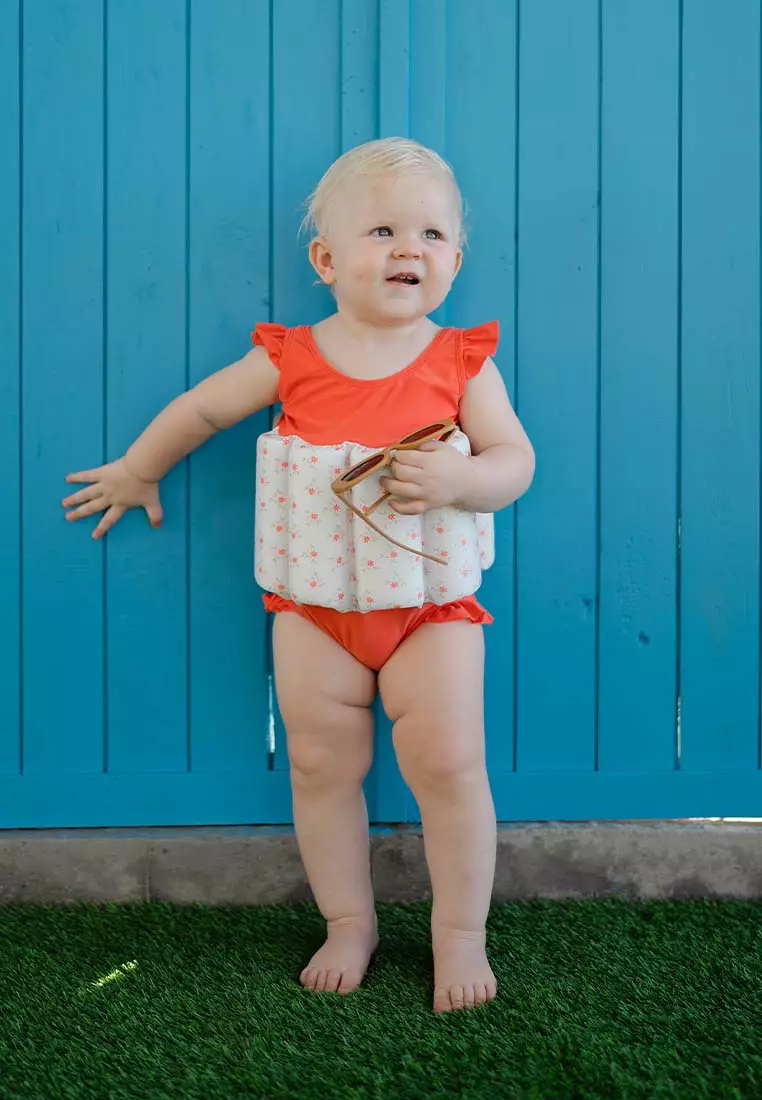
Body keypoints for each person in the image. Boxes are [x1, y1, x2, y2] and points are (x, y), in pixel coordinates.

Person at [62, 138, 535, 1013]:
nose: (409, 249)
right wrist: (139, 467)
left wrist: (470, 478)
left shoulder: (460, 362)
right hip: (312, 609)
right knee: (319, 766)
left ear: (457, 261)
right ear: (326, 260)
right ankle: (348, 920)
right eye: (384, 230)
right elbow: (204, 408)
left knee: (451, 765)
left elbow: (516, 459)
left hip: (431, 611)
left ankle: (459, 933)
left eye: (432, 234)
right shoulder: (294, 356)